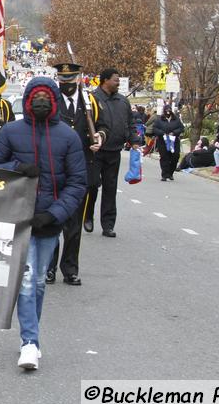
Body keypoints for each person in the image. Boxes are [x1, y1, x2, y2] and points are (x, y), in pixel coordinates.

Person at [0, 76, 87, 371]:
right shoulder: (11, 132)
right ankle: (29, 343)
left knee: (39, 281)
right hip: (17, 219)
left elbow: (78, 183)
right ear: (28, 101)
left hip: (49, 223)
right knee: (26, 282)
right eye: (35, 96)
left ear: (53, 101)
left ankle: (32, 337)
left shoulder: (68, 137)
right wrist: (17, 167)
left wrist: (55, 213)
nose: (41, 101)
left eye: (46, 96)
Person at [46, 63, 106, 287]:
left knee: (73, 226)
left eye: (70, 82)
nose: (66, 86)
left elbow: (103, 127)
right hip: (54, 170)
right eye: (63, 82)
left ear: (78, 80)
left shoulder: (89, 103)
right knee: (52, 222)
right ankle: (48, 268)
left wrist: (99, 137)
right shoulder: (51, 102)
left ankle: (70, 269)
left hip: (80, 170)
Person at [86, 68, 141, 237]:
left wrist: (134, 141)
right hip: (95, 151)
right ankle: (87, 215)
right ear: (105, 81)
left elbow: (131, 124)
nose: (118, 83)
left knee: (110, 188)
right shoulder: (92, 99)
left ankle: (108, 224)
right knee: (92, 185)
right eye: (116, 80)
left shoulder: (123, 101)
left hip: (114, 150)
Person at [152, 106, 185, 181]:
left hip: (174, 141)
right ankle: (164, 174)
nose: (168, 112)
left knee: (175, 156)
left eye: (169, 110)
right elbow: (155, 128)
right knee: (164, 157)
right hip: (163, 141)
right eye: (166, 111)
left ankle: (170, 173)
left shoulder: (176, 119)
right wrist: (162, 133)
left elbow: (181, 128)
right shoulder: (159, 119)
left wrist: (174, 133)